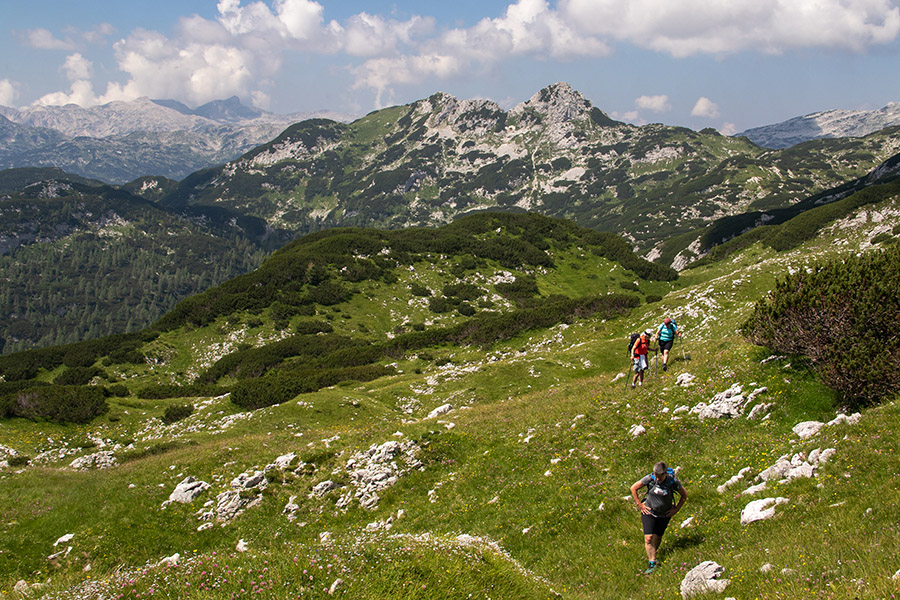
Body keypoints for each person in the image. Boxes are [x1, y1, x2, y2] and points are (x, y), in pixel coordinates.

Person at [630, 462, 688, 574]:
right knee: (649, 537)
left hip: (665, 514)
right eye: (656, 476)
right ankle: (652, 562)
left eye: (660, 477)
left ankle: (653, 555)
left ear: (665, 474)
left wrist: (676, 510)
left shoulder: (672, 481)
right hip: (649, 511)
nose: (657, 478)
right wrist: (640, 505)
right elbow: (633, 488)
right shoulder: (650, 478)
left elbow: (684, 495)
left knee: (658, 536)